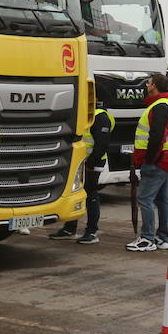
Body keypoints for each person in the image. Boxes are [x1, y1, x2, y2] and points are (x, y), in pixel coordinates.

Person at [127, 73, 168, 251]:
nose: (145, 85)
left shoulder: (160, 107)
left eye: (147, 82)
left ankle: (147, 238)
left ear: (153, 86)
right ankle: (162, 238)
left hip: (158, 161)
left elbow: (157, 137)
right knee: (162, 200)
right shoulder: (164, 104)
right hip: (164, 159)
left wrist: (149, 160)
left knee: (144, 198)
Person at [49, 101, 113, 244]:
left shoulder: (101, 116)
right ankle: (70, 228)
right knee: (75, 195)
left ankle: (92, 231)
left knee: (91, 195)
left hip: (92, 163)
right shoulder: (87, 113)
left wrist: (91, 163)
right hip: (81, 162)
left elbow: (102, 144)